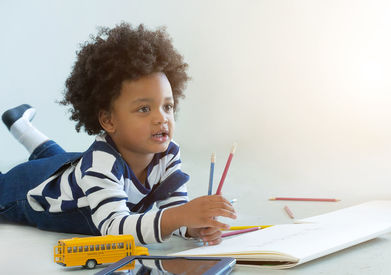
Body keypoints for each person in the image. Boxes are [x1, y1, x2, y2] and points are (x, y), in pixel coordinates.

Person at [0, 23, 236, 246]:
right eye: (144, 109)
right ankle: (21, 128)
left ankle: (20, 125)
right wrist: (181, 216)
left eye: (168, 106)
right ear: (108, 120)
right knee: (35, 176)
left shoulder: (168, 153)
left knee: (62, 161)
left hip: (76, 171)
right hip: (33, 192)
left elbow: (174, 207)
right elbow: (115, 228)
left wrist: (190, 225)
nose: (161, 118)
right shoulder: (99, 165)